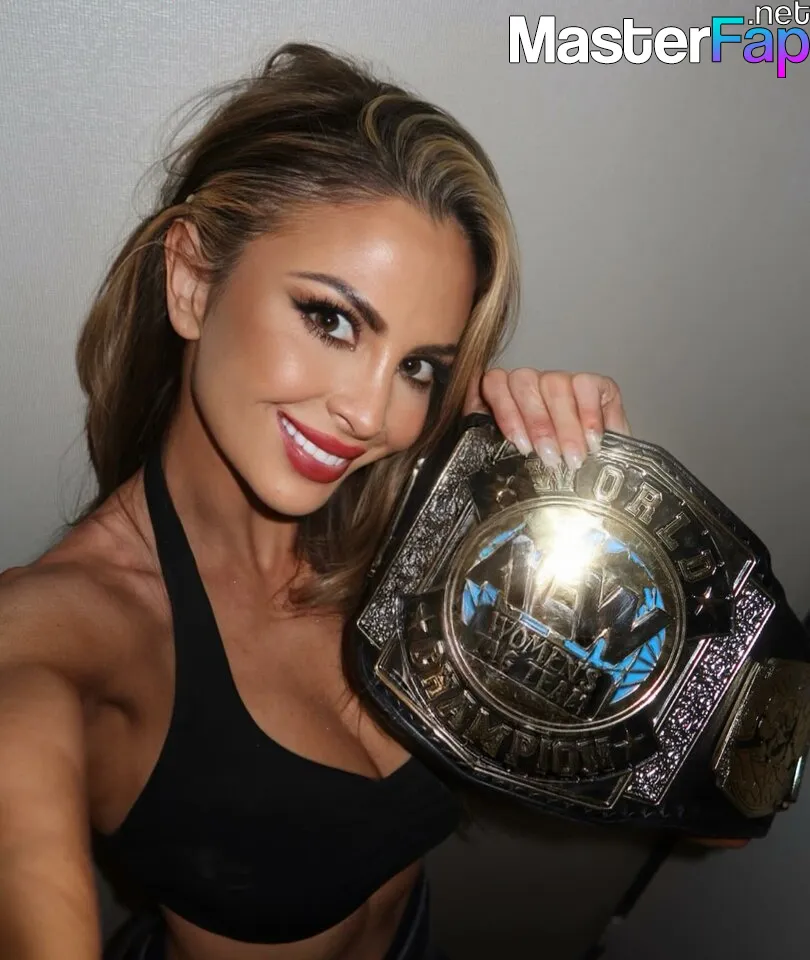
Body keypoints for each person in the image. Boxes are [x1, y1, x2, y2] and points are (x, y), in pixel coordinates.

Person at [0, 42, 634, 960]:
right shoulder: (67, 630)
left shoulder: (426, 526)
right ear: (192, 280)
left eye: (418, 366)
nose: (372, 417)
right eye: (331, 319)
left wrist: (590, 517)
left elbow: (726, 807)